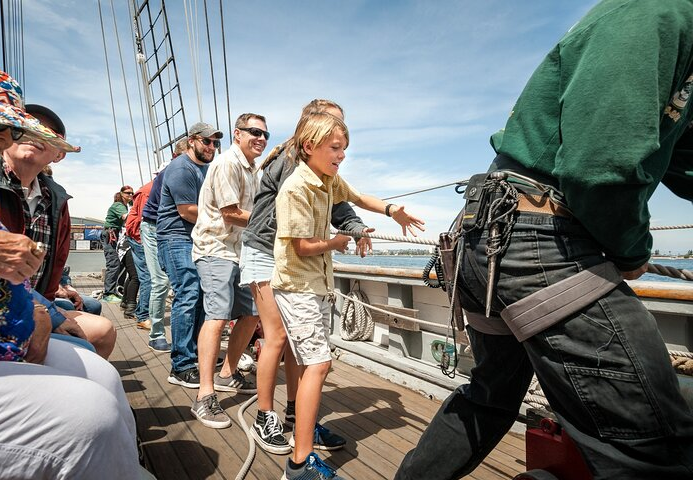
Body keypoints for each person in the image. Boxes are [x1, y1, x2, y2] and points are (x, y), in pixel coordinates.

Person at [395, 2, 693, 479]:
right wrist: (631, 249)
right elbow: (601, 168)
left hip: (486, 238)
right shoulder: (660, 11)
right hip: (538, 238)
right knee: (655, 451)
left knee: (490, 394)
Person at [0, 61, 139, 479]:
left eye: (15, 127)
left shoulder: (12, 189)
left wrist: (44, 305)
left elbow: (39, 265)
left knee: (103, 378)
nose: (8, 135)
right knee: (90, 410)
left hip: (9, 321)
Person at [274, 112, 424, 480]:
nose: (341, 155)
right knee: (319, 365)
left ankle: (303, 439)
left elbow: (359, 197)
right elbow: (303, 246)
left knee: (315, 363)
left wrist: (391, 211)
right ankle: (298, 464)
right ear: (310, 146)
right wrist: (338, 241)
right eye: (335, 148)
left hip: (317, 286)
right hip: (298, 286)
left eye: (344, 149)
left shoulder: (328, 180)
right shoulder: (295, 188)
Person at [242, 99, 372, 454]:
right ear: (310, 127)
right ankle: (264, 415)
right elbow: (328, 207)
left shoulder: (320, 167)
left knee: (300, 346)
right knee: (277, 335)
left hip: (291, 257)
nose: (337, 135)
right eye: (330, 124)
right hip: (265, 250)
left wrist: (358, 228)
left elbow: (339, 204)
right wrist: (342, 233)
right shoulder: (292, 159)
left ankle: (298, 418)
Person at [0, 103, 117, 358]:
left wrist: (58, 291)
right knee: (86, 341)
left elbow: (56, 261)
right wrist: (51, 314)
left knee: (103, 329)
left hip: (36, 301)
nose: (35, 135)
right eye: (27, 128)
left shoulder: (56, 200)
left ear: (58, 155)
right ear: (9, 137)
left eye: (46, 134)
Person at [190, 113, 266, 429]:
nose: (261, 138)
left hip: (240, 252)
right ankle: (204, 396)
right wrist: (275, 224)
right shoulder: (227, 164)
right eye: (254, 132)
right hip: (215, 249)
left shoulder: (254, 170)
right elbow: (231, 214)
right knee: (218, 316)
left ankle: (226, 373)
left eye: (265, 134)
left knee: (251, 314)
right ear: (237, 134)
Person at [157, 122, 223, 387]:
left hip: (196, 238)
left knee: (201, 295)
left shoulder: (206, 169)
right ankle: (181, 365)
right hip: (176, 238)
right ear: (193, 140)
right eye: (206, 141)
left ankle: (196, 353)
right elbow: (187, 210)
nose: (211, 147)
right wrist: (226, 218)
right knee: (188, 294)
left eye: (215, 143)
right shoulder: (182, 168)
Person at [139, 139, 186, 353]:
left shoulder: (191, 172)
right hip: (153, 227)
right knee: (160, 281)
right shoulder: (172, 172)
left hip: (175, 231)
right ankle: (156, 334)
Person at [126, 180, 153, 330]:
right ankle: (143, 316)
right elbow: (146, 220)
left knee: (143, 277)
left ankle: (132, 306)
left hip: (140, 237)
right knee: (148, 277)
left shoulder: (148, 190)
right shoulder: (147, 192)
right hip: (140, 238)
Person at [101, 186, 133, 302]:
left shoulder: (125, 206)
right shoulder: (118, 205)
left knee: (121, 262)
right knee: (113, 263)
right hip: (110, 235)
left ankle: (116, 289)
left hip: (115, 235)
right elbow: (127, 217)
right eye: (128, 193)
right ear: (121, 193)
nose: (130, 195)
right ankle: (108, 294)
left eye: (132, 193)